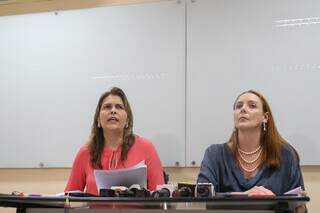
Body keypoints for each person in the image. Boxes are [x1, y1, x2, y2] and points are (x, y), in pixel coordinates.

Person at [197, 90, 306, 212]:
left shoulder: (286, 154)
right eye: (238, 106)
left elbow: (299, 206)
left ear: (265, 117)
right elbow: (202, 198)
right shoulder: (214, 154)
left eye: (252, 106)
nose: (243, 109)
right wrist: (245, 197)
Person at [65, 87, 164, 195]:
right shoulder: (85, 152)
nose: (113, 111)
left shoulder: (146, 148)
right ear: (98, 119)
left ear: (127, 120)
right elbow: (68, 198)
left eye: (119, 107)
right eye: (107, 107)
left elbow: (160, 197)